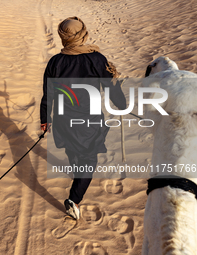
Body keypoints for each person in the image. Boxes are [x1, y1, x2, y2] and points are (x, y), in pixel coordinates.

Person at [40, 17, 127, 220]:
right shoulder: (96, 59)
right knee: (89, 159)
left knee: (73, 149)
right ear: (83, 34)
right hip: (89, 122)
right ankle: (74, 199)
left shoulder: (55, 62)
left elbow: (48, 95)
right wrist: (122, 105)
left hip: (63, 121)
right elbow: (112, 87)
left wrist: (45, 120)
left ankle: (76, 173)